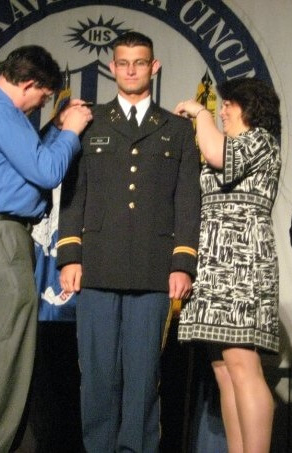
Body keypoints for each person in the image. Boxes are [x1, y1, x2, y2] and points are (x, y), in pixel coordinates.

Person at [57, 31, 201, 452]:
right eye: (123, 63)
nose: (132, 69)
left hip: (155, 268)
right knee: (98, 375)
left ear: (153, 67)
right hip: (98, 265)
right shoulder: (89, 123)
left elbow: (187, 200)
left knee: (142, 377)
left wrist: (182, 263)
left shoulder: (176, 129)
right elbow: (73, 194)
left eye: (140, 62)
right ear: (113, 67)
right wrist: (70, 255)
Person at [0, 45, 92, 453]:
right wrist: (71, 131)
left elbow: (18, 163)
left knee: (10, 353)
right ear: (29, 84)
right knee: (9, 355)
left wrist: (52, 130)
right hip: (0, 239)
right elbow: (46, 170)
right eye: (44, 97)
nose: (41, 104)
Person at [175, 77, 281, 453]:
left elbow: (221, 156)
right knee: (224, 371)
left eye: (229, 104)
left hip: (241, 265)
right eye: (220, 105)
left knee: (243, 368)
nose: (222, 110)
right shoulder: (227, 143)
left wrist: (200, 113)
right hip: (212, 265)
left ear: (251, 107)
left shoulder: (261, 141)